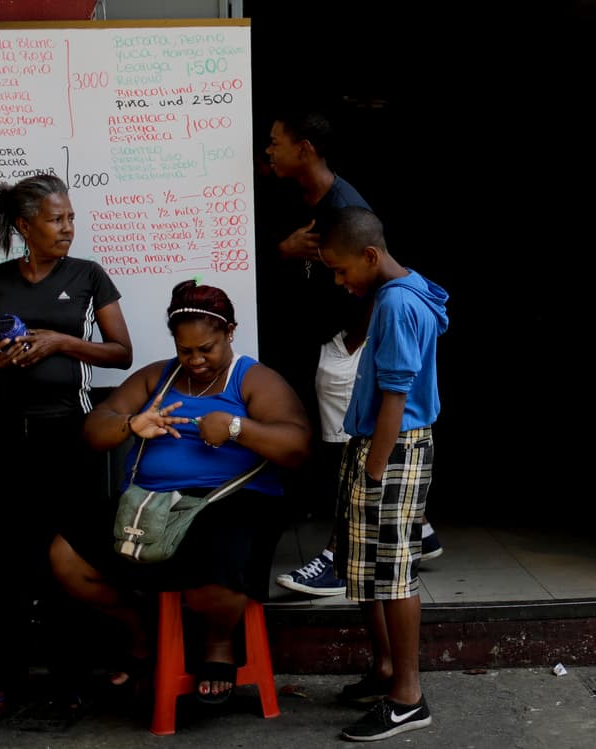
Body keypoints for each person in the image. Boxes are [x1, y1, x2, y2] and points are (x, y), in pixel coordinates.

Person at [49, 280, 312, 705]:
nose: (196, 361)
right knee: (66, 554)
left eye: (206, 348)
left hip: (231, 500)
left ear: (230, 333)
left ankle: (218, 645)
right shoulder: (157, 376)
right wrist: (132, 424)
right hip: (152, 502)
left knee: (220, 550)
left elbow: (298, 447)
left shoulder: (253, 380)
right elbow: (94, 429)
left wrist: (236, 428)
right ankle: (140, 635)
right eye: (185, 350)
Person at [0, 173, 134, 722]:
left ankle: (70, 682)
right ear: (24, 227)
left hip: (69, 436)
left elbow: (121, 352)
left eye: (71, 217)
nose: (68, 228)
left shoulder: (88, 277)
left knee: (68, 557)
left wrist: (61, 342)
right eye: (57, 219)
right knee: (13, 559)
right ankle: (5, 683)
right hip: (3, 438)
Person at [260, 108, 441, 599]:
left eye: (276, 141)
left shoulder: (347, 209)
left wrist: (352, 344)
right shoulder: (296, 196)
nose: (267, 150)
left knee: (350, 453)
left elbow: (374, 280)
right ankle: (418, 530)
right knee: (345, 448)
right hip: (330, 340)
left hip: (348, 345)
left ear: (307, 148)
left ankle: (339, 558)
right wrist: (284, 250)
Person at [319, 206, 448, 741]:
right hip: (376, 444)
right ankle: (386, 671)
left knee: (393, 572)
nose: (340, 280)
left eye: (342, 269)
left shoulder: (395, 303)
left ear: (370, 255)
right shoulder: (409, 287)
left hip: (391, 449)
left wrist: (374, 471)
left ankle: (408, 697)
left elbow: (396, 393)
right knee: (368, 567)